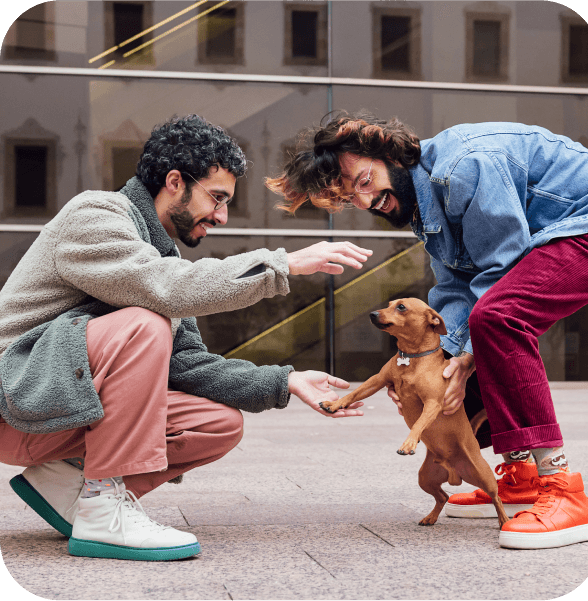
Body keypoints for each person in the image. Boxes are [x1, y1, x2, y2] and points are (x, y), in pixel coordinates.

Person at [0, 114, 370, 562]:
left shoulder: (162, 250)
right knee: (145, 322)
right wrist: (282, 263)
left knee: (217, 423)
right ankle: (103, 512)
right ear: (174, 181)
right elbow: (166, 286)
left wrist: (285, 380)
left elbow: (187, 363)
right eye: (216, 198)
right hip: (15, 399)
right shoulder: (95, 214)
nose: (222, 216)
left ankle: (67, 484)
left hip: (63, 406)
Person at [266, 111, 588, 550]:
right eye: (350, 198)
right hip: (560, 233)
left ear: (388, 153)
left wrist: (463, 359)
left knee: (497, 319)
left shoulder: (463, 167)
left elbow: (501, 267)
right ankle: (520, 480)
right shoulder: (427, 202)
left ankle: (563, 491)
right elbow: (457, 285)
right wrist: (443, 361)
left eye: (364, 181)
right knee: (455, 353)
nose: (365, 202)